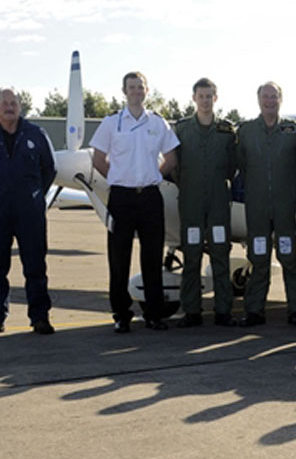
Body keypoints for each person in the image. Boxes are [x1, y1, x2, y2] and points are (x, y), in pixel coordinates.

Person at [91, 71, 179, 333]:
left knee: (152, 257)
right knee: (119, 259)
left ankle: (153, 314)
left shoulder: (158, 123)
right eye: (132, 87)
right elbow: (98, 160)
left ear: (147, 91)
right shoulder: (111, 123)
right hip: (121, 198)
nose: (136, 91)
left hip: (151, 197)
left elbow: (171, 158)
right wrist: (119, 179)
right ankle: (121, 314)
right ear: (124, 91)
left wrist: (152, 176)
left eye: (140, 87)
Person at [0, 88, 56, 336]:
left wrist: (33, 195)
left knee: (35, 266)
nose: (10, 107)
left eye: (14, 102)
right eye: (5, 103)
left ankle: (40, 317)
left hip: (29, 212)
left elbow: (49, 169)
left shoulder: (36, 134)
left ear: (20, 106)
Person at [236, 81, 296, 326]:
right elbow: (242, 166)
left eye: (274, 96)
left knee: (289, 256)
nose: (270, 101)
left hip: (286, 207)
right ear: (258, 100)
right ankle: (255, 310)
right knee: (258, 257)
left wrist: (287, 192)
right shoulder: (246, 131)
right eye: (265, 97)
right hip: (257, 207)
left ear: (281, 99)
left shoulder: (292, 129)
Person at [172, 78, 237, 328]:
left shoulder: (227, 131)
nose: (206, 100)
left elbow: (233, 166)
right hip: (191, 202)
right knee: (192, 254)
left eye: (210, 96)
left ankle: (223, 311)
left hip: (219, 201)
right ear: (194, 98)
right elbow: (175, 164)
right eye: (201, 96)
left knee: (220, 253)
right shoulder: (182, 129)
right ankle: (192, 311)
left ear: (216, 99)